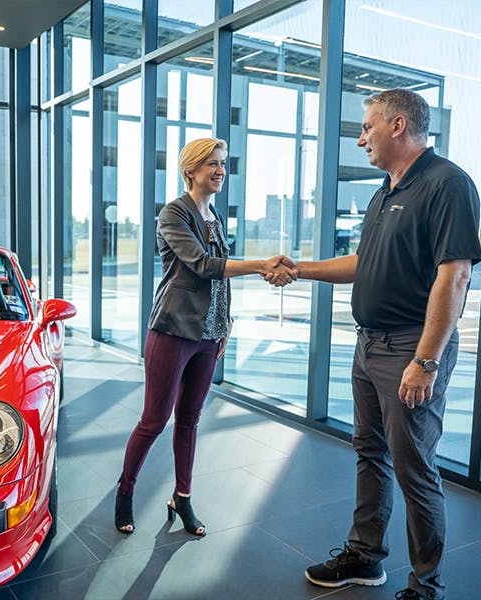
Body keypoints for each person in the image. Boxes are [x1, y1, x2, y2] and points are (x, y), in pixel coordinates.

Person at [278, 89, 481, 600]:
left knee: (415, 468)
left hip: (411, 350)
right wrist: (300, 269)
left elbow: (453, 278)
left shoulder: (447, 183)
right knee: (370, 453)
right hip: (370, 346)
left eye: (366, 126)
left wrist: (426, 360)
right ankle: (365, 556)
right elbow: (361, 263)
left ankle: (426, 586)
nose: (360, 136)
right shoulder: (386, 189)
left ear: (396, 125)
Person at [114, 137, 295, 537]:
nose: (219, 171)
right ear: (190, 171)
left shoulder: (214, 215)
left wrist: (225, 326)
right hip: (173, 330)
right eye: (211, 164)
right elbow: (203, 265)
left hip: (209, 334)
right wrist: (262, 265)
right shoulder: (173, 214)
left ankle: (182, 497)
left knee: (190, 421)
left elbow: (219, 283)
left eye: (223, 164)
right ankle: (125, 490)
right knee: (154, 420)